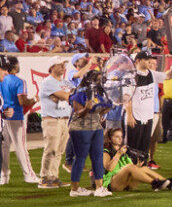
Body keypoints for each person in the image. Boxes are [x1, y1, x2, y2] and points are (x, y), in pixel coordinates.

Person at [66, 67, 113, 197]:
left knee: (98, 157)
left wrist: (108, 107)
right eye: (98, 80)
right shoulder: (79, 93)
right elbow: (79, 113)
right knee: (80, 158)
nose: (100, 82)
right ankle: (74, 189)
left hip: (96, 127)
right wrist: (87, 108)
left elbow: (99, 111)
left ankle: (99, 187)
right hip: (81, 128)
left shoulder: (97, 95)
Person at [37, 57, 75, 188]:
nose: (63, 67)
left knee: (59, 151)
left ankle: (54, 176)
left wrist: (62, 95)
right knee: (51, 149)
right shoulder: (48, 82)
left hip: (64, 118)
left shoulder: (65, 82)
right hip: (52, 119)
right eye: (60, 65)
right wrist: (65, 94)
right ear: (52, 67)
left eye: (64, 65)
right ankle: (44, 177)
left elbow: (74, 94)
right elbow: (67, 96)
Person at [99, 130, 172, 192]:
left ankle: (168, 183)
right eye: (117, 137)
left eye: (121, 136)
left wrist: (137, 167)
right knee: (130, 166)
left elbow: (130, 168)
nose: (120, 139)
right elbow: (109, 168)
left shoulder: (123, 152)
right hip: (112, 184)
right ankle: (154, 183)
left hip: (126, 183)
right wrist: (118, 154)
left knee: (144, 168)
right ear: (110, 139)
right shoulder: (106, 152)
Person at [0, 55, 35, 186]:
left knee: (4, 148)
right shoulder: (19, 81)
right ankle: (28, 175)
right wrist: (34, 100)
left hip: (3, 117)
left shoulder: (2, 79)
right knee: (20, 147)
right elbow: (22, 101)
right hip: (16, 116)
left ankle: (4, 176)